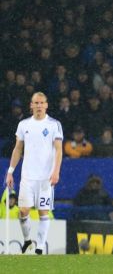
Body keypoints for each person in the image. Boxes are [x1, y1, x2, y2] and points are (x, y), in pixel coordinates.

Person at [5, 92, 63, 255]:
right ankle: (27, 240)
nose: (38, 106)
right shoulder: (24, 125)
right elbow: (18, 149)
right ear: (31, 105)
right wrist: (10, 172)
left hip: (46, 177)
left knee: (43, 211)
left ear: (46, 105)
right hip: (27, 177)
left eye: (41, 103)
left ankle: (39, 247)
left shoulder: (54, 124)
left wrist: (56, 171)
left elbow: (59, 150)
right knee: (23, 211)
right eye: (35, 103)